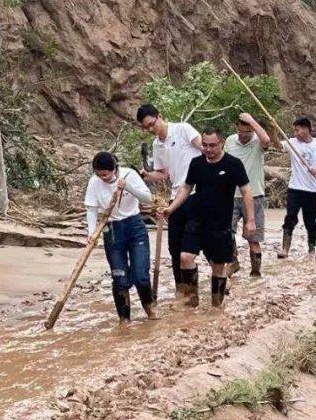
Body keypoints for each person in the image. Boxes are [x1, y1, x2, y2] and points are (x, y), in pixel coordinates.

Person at [161, 128, 254, 308]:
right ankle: (191, 299)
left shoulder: (233, 164)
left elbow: (246, 191)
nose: (208, 149)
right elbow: (186, 188)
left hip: (220, 223)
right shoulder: (196, 163)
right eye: (204, 145)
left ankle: (216, 306)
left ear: (222, 143)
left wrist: (250, 220)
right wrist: (171, 208)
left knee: (218, 267)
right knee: (185, 257)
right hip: (196, 219)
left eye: (212, 145)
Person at [136, 104, 202, 298]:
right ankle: (181, 290)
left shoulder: (183, 129)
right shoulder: (157, 145)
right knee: (175, 247)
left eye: (151, 124)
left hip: (197, 193)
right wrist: (146, 175)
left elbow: (206, 149)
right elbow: (164, 174)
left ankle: (210, 282)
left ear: (160, 116)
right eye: (145, 128)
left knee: (195, 245)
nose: (150, 129)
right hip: (175, 198)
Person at [85, 152, 156, 324]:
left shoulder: (129, 175)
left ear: (115, 169)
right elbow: (92, 209)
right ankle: (124, 321)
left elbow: (148, 199)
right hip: (112, 229)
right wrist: (92, 233)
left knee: (141, 275)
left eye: (105, 174)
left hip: (135, 225)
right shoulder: (94, 182)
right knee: (120, 278)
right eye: (98, 174)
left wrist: (128, 187)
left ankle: (151, 311)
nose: (102, 178)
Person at [224, 112, 271, 276]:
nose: (243, 136)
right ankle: (233, 262)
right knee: (226, 233)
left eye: (247, 133)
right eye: (240, 132)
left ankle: (256, 272)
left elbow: (266, 140)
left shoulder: (258, 141)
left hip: (254, 195)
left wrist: (252, 120)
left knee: (253, 237)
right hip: (230, 195)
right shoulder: (230, 141)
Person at [279, 117, 316, 259]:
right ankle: (285, 250)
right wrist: (272, 129)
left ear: (307, 129)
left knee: (310, 221)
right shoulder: (292, 143)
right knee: (290, 218)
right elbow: (277, 145)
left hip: (312, 190)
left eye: (298, 130)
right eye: (294, 130)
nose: (295, 133)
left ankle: (311, 249)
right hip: (294, 188)